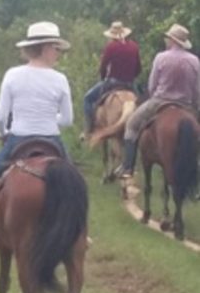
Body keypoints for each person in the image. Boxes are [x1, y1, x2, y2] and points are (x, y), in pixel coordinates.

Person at [0, 21, 73, 259]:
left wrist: (2, 133)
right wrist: (48, 117)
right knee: (74, 187)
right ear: (43, 48)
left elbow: (1, 117)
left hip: (18, 140)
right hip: (52, 141)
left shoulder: (12, 75)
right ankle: (77, 236)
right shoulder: (60, 79)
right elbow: (67, 120)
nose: (58, 53)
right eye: (56, 48)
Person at [118, 23, 200, 178]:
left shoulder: (161, 57)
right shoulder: (194, 60)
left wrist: (155, 95)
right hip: (186, 105)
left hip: (160, 101)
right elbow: (197, 89)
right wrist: (196, 105)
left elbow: (152, 85)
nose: (166, 40)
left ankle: (128, 167)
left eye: (168, 38)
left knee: (132, 124)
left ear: (173, 40)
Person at [83, 21, 141, 135]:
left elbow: (103, 66)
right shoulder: (134, 46)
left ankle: (89, 129)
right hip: (130, 83)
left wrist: (103, 78)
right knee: (141, 101)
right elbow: (138, 68)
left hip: (113, 82)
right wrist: (131, 77)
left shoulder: (111, 47)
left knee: (88, 99)